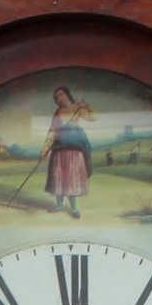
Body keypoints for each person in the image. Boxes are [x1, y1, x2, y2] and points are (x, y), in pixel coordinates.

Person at [45, 86, 93, 218]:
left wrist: (87, 106)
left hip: (75, 147)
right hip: (60, 148)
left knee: (72, 179)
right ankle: (59, 206)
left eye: (61, 94)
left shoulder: (78, 108)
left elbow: (92, 118)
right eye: (57, 97)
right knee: (59, 177)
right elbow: (52, 130)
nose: (59, 98)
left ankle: (74, 209)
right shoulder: (57, 112)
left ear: (67, 94)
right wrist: (45, 147)